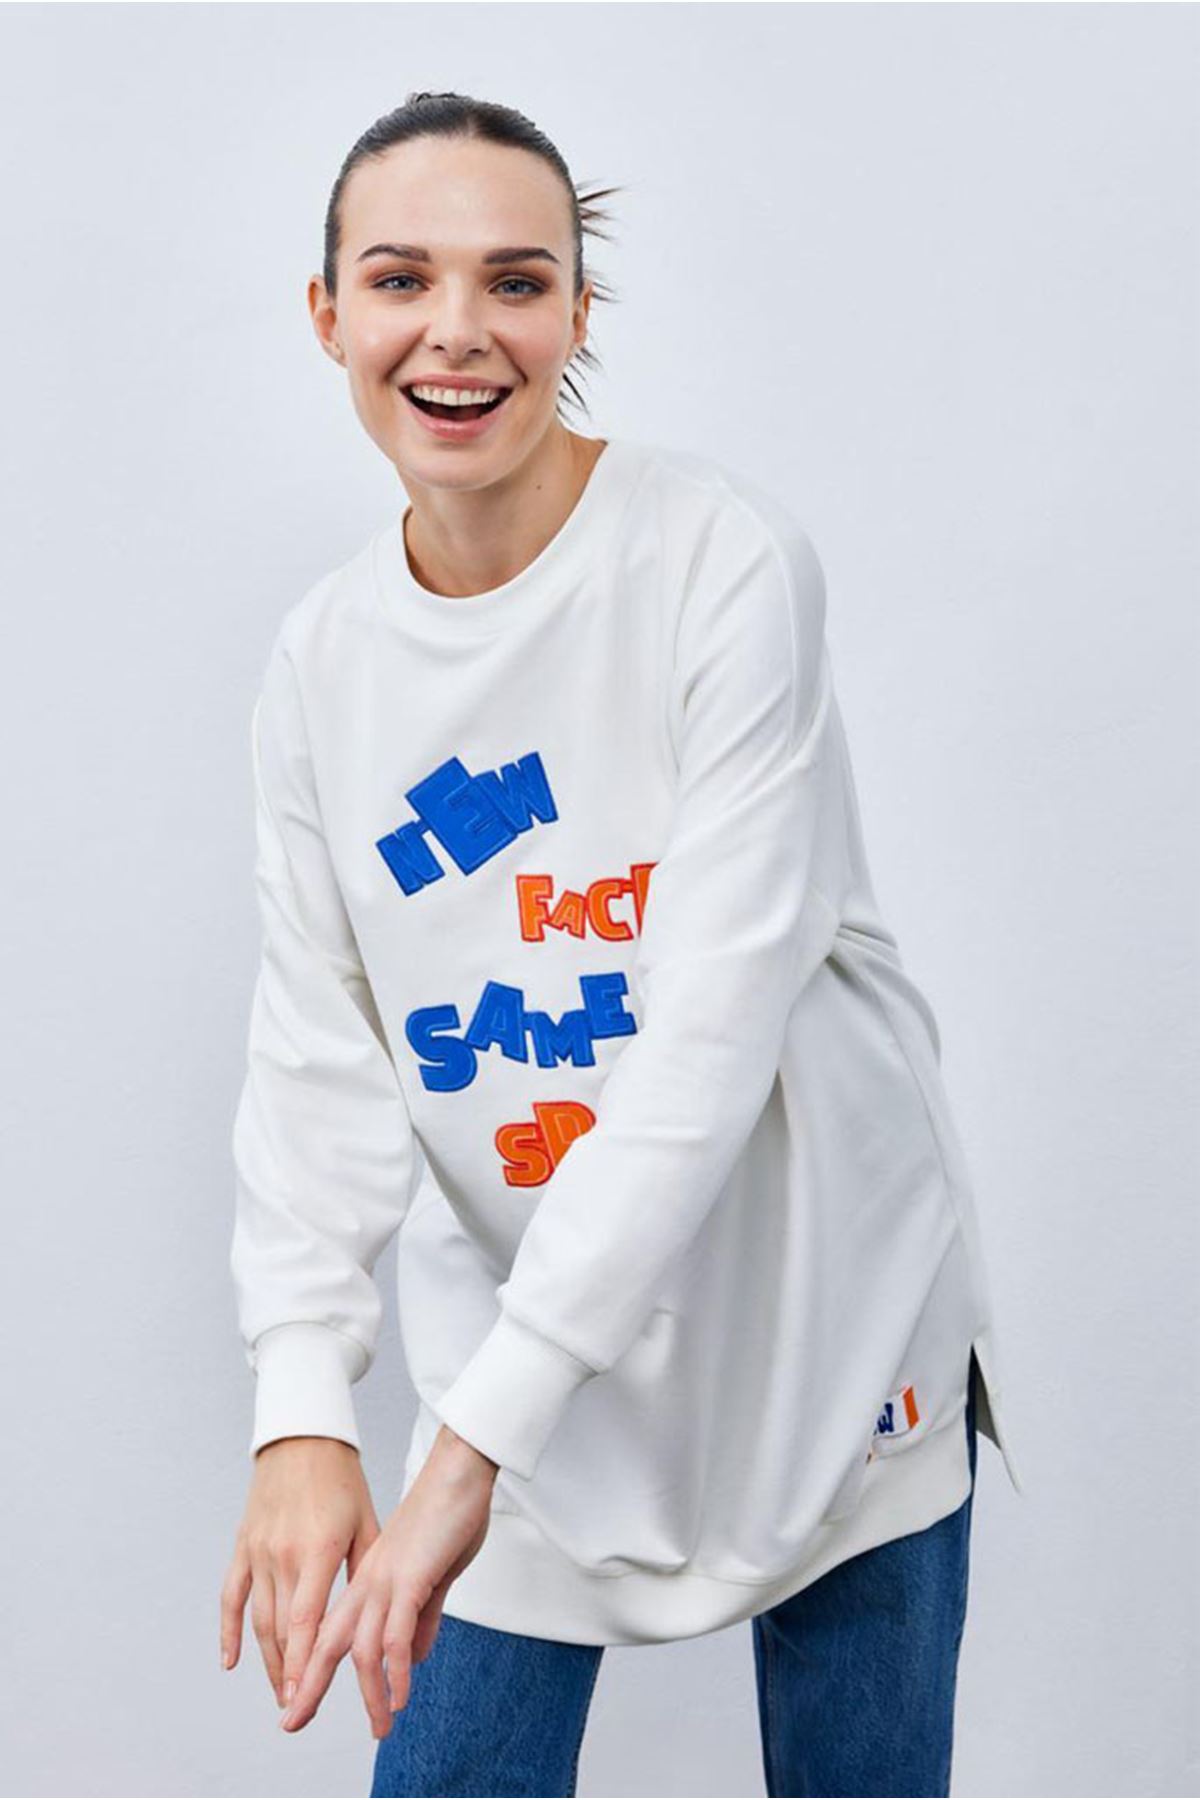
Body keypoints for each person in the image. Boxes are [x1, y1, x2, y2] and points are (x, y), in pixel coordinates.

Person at [219, 91, 1026, 1798]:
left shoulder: (721, 565)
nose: (457, 330)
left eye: (516, 282)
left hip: (828, 1329)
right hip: (526, 1358)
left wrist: (467, 1443)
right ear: (329, 316)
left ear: (578, 315)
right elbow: (318, 1054)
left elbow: (701, 1053)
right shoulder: (322, 665)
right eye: (401, 279)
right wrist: (302, 1406)